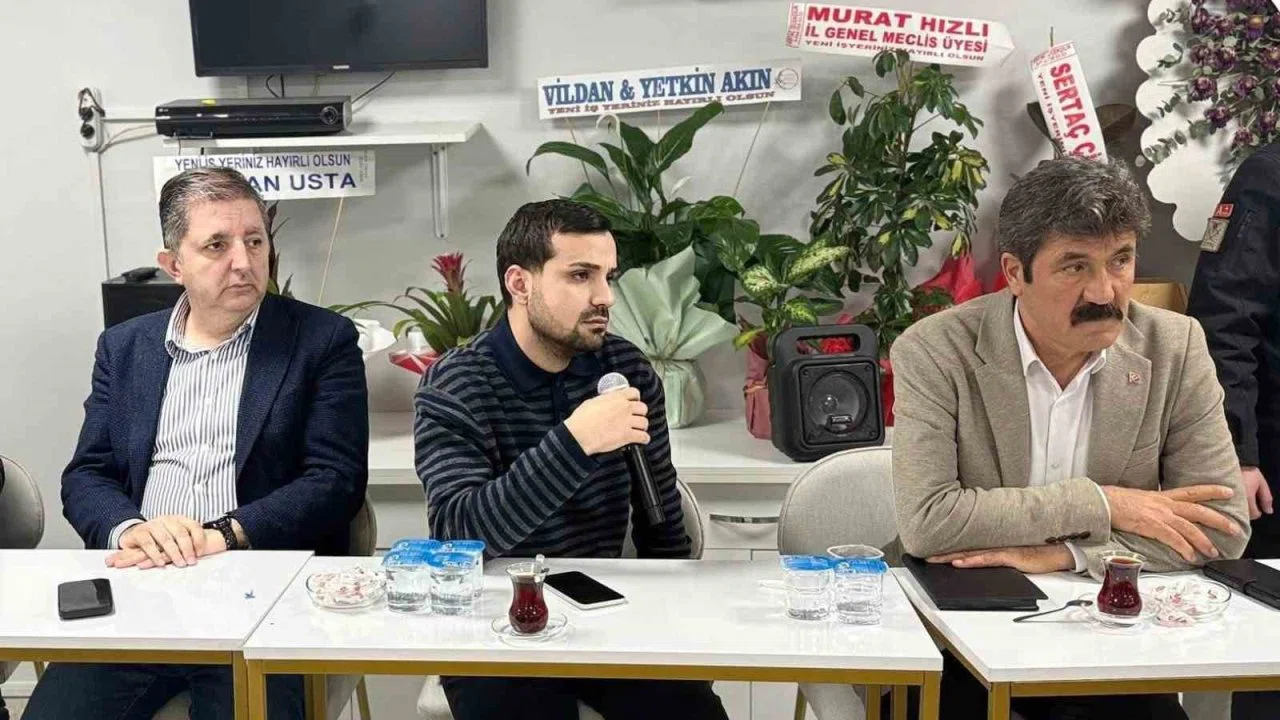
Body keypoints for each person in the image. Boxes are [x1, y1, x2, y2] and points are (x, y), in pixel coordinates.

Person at [891, 157, 1249, 720]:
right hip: (959, 634)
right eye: (1075, 266)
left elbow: (1220, 529)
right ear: (1015, 273)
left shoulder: (1175, 346)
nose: (1104, 291)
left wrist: (1064, 554)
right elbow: (930, 521)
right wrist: (1106, 504)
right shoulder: (935, 351)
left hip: (1108, 637)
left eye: (1121, 260)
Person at [25, 168, 369, 720]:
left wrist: (222, 535)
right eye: (217, 245)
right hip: (141, 590)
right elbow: (87, 474)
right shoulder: (125, 348)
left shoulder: (320, 340)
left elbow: (335, 481)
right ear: (173, 265)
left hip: (263, 596)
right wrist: (132, 529)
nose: (244, 261)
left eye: (254, 241)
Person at [413, 199, 728, 720]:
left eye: (608, 276)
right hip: (495, 625)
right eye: (581, 275)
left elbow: (662, 526)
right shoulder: (456, 384)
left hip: (605, 612)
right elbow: (456, 536)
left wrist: (674, 623)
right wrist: (575, 441)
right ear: (520, 283)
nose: (605, 296)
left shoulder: (625, 369)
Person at [1186, 142, 1280, 720]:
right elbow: (1223, 322)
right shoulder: (1268, 176)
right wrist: (1239, 454)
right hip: (1272, 452)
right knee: (1272, 650)